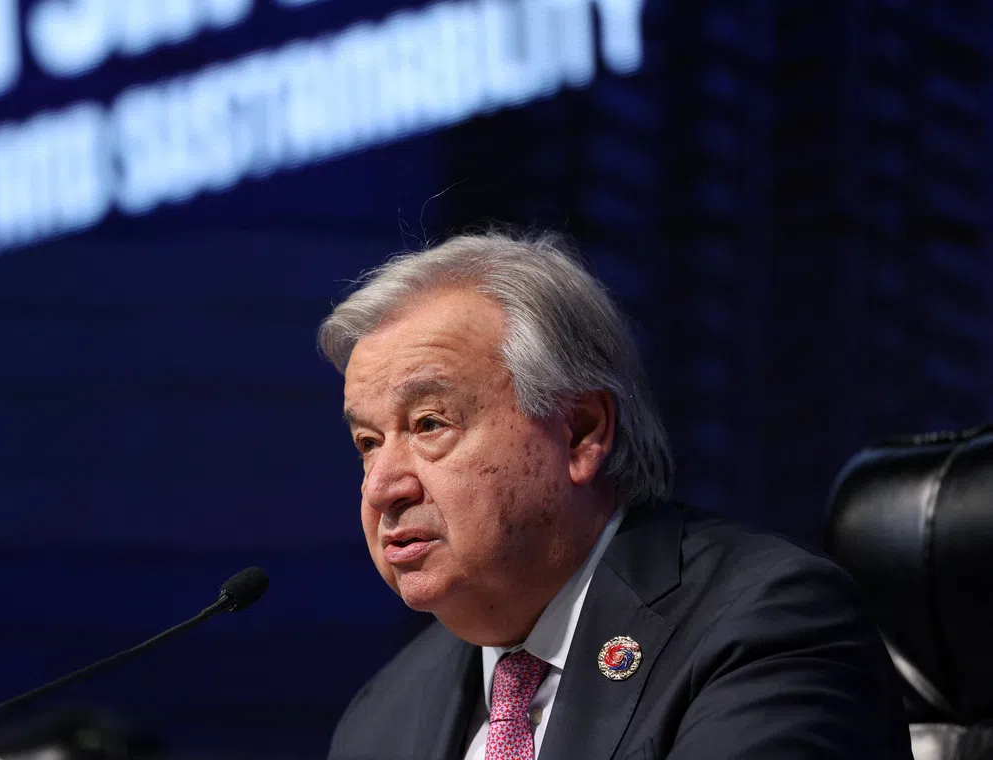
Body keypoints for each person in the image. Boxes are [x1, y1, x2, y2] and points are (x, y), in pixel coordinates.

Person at [317, 230, 912, 760]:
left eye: (429, 424)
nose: (382, 488)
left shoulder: (765, 627)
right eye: (368, 442)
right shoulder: (382, 715)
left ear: (580, 433)